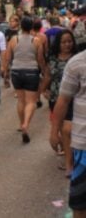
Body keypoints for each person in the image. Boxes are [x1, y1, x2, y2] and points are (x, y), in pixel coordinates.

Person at [49, 48, 86, 217]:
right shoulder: (77, 62)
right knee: (79, 203)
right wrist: (54, 131)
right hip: (84, 145)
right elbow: (63, 99)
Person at [4, 17, 46, 143]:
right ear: (31, 27)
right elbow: (40, 60)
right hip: (31, 72)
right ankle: (26, 125)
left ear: (21, 27)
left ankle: (21, 123)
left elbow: (7, 57)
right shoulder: (36, 41)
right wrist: (44, 71)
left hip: (16, 72)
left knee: (21, 101)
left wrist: (5, 71)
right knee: (31, 102)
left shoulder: (13, 39)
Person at [43, 29, 77, 176]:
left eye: (69, 41)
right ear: (58, 43)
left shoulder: (77, 59)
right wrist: (42, 90)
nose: (67, 44)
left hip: (73, 98)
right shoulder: (52, 58)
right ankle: (69, 155)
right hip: (55, 99)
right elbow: (48, 76)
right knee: (62, 128)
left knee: (67, 129)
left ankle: (70, 163)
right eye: (63, 42)